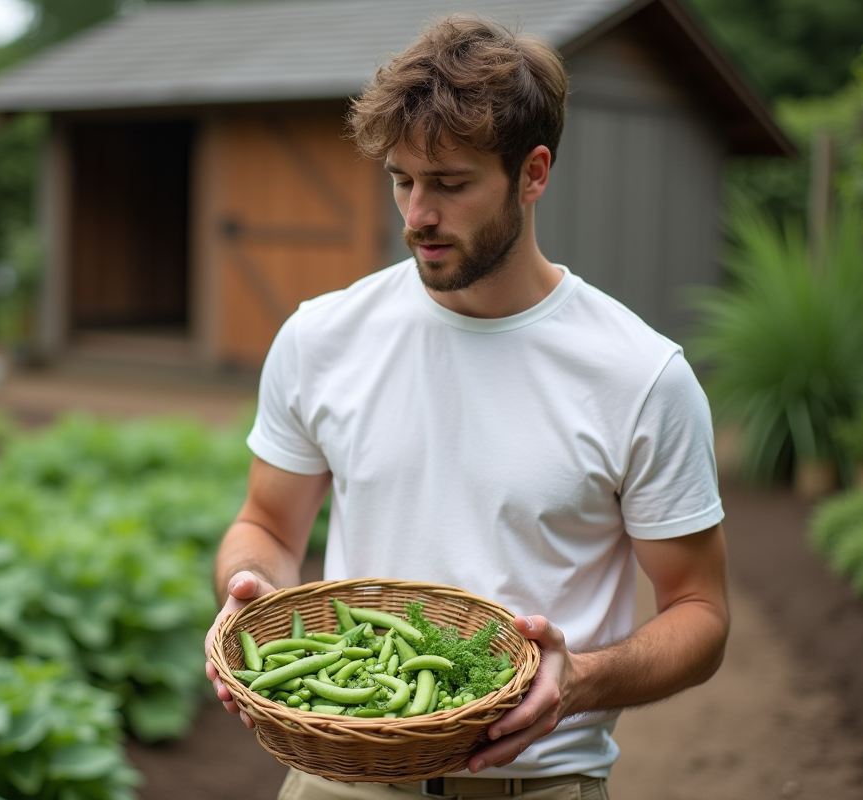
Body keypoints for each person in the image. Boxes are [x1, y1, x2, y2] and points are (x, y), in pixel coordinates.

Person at [204, 13, 729, 800]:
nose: (417, 215)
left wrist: (579, 679)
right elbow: (267, 527)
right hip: (336, 778)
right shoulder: (322, 337)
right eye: (401, 180)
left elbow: (700, 612)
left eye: (450, 185)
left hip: (537, 784)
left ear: (534, 172)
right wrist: (249, 587)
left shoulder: (641, 376)